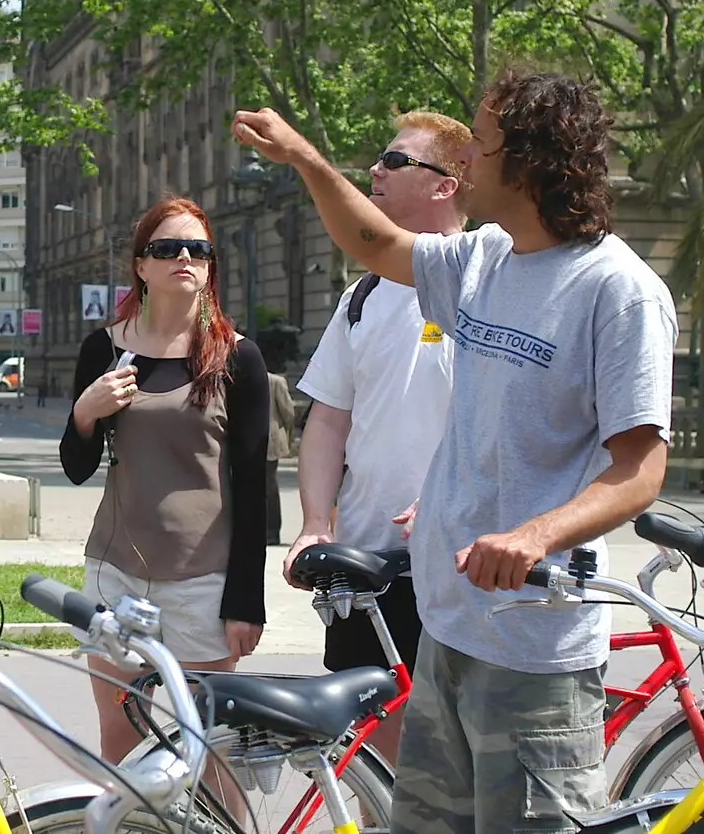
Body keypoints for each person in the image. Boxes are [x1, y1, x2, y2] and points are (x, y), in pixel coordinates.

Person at [234, 69, 677, 834]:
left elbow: (640, 470)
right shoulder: (482, 260)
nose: (465, 158)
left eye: (483, 142)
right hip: (448, 629)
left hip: (535, 647)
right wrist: (307, 159)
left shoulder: (617, 290)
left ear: (534, 160)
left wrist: (535, 534)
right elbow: (375, 242)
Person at [285, 112, 470, 764]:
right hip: (363, 574)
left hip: (456, 571)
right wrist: (313, 522)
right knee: (368, 768)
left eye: (394, 161)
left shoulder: (491, 280)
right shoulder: (361, 293)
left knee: (444, 769)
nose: (375, 171)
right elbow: (328, 419)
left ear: (446, 184)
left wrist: (459, 499)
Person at [59, 196, 269, 763]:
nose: (184, 257)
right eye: (167, 248)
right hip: (115, 575)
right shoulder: (104, 349)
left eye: (198, 249)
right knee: (121, 738)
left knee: (211, 747)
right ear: (141, 265)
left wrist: (247, 600)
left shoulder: (238, 358)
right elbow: (76, 467)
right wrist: (87, 411)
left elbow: (255, 489)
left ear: (209, 267)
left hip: (204, 581)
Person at [265, 360, 295, 546]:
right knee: (268, 489)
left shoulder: (275, 382)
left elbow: (288, 412)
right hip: (266, 441)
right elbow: (289, 413)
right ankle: (270, 532)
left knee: (268, 488)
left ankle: (271, 532)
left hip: (269, 442)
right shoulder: (275, 381)